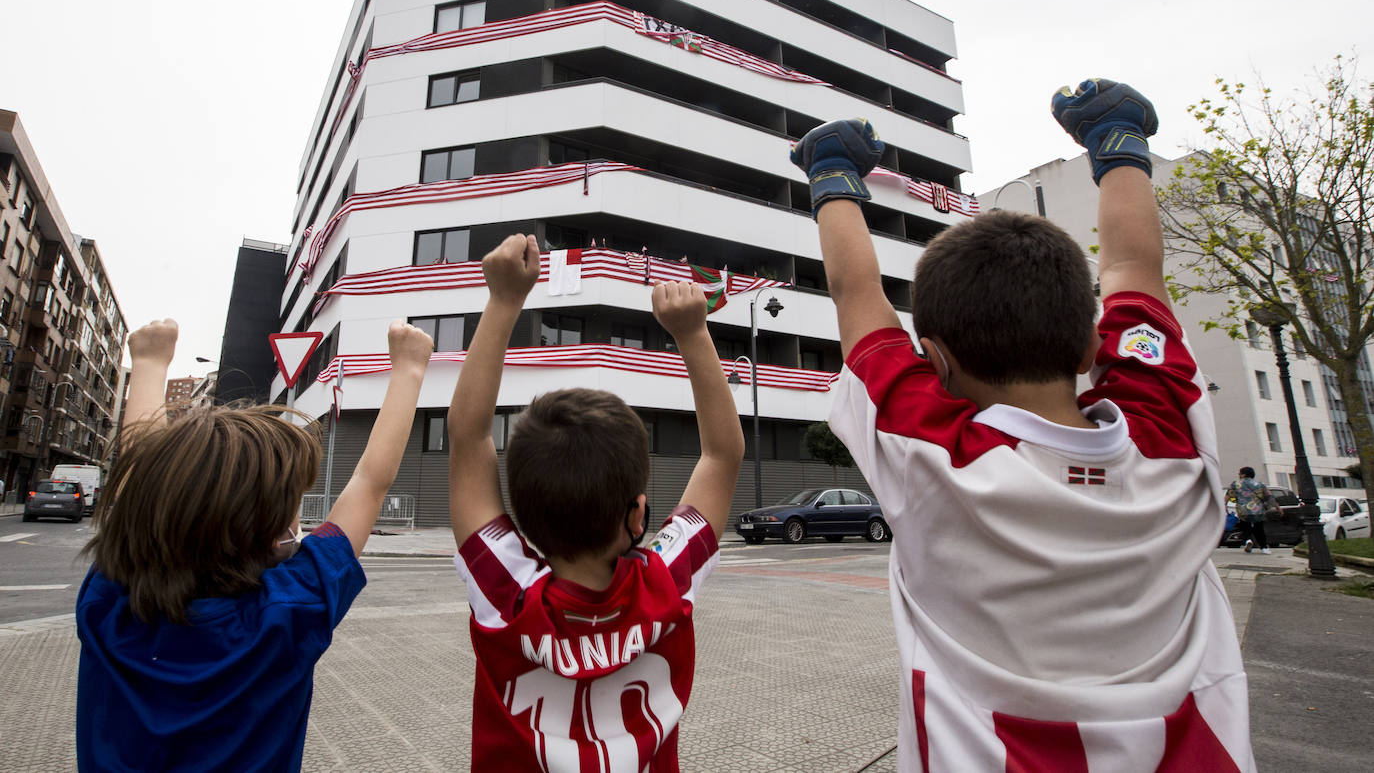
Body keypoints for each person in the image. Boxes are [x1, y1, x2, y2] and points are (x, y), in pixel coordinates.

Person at [790, 80, 1254, 771]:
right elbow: (1134, 266)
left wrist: (831, 176)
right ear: (1091, 351)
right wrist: (1116, 138)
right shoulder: (1170, 445)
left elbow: (855, 295)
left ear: (937, 364)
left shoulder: (934, 456)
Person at [76, 317, 433, 771]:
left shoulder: (110, 605)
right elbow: (368, 483)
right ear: (270, 535)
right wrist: (409, 372)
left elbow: (138, 487)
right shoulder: (287, 613)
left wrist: (147, 365)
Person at [446, 234, 744, 771]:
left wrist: (503, 302)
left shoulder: (506, 592)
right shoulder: (666, 583)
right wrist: (694, 334)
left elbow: (468, 440)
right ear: (636, 516)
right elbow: (722, 456)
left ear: (525, 519)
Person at [1225, 466, 1272, 553]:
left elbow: (1228, 496)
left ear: (1244, 474)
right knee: (1259, 528)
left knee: (1244, 526)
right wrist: (1276, 507)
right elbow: (1269, 496)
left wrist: (1224, 506)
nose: (1239, 474)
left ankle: (1248, 541)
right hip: (1258, 510)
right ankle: (1264, 548)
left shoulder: (1235, 484)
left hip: (1243, 510)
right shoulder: (1260, 484)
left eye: (1240, 473)